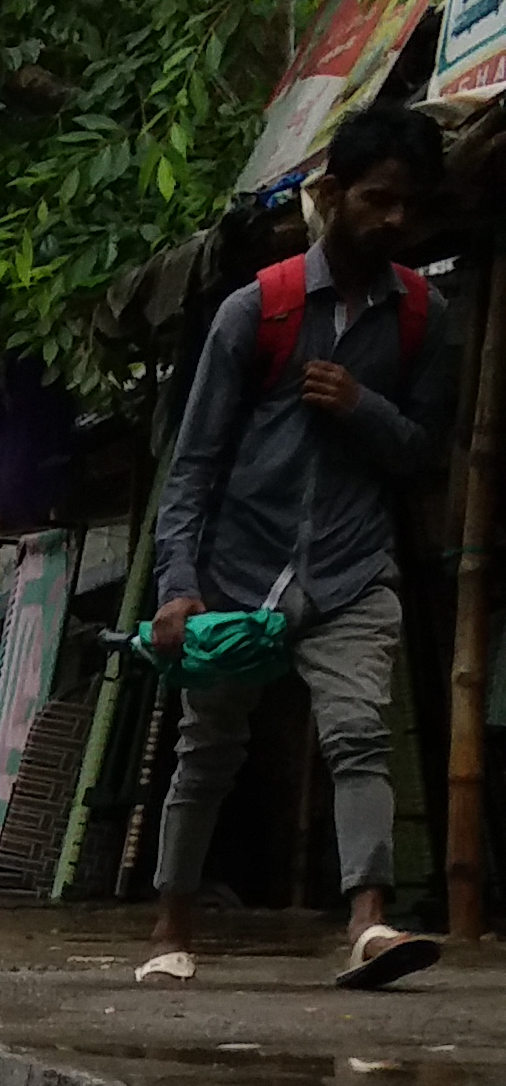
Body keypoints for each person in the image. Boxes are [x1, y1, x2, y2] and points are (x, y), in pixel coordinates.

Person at [144, 102, 461, 990]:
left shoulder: (425, 320)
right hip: (238, 568)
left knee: (360, 735)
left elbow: (423, 453)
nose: (393, 220)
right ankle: (172, 926)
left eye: (408, 205)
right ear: (331, 194)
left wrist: (362, 406)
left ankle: (368, 922)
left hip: (352, 572)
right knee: (208, 750)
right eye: (376, 200)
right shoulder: (258, 310)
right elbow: (195, 462)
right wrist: (179, 585)